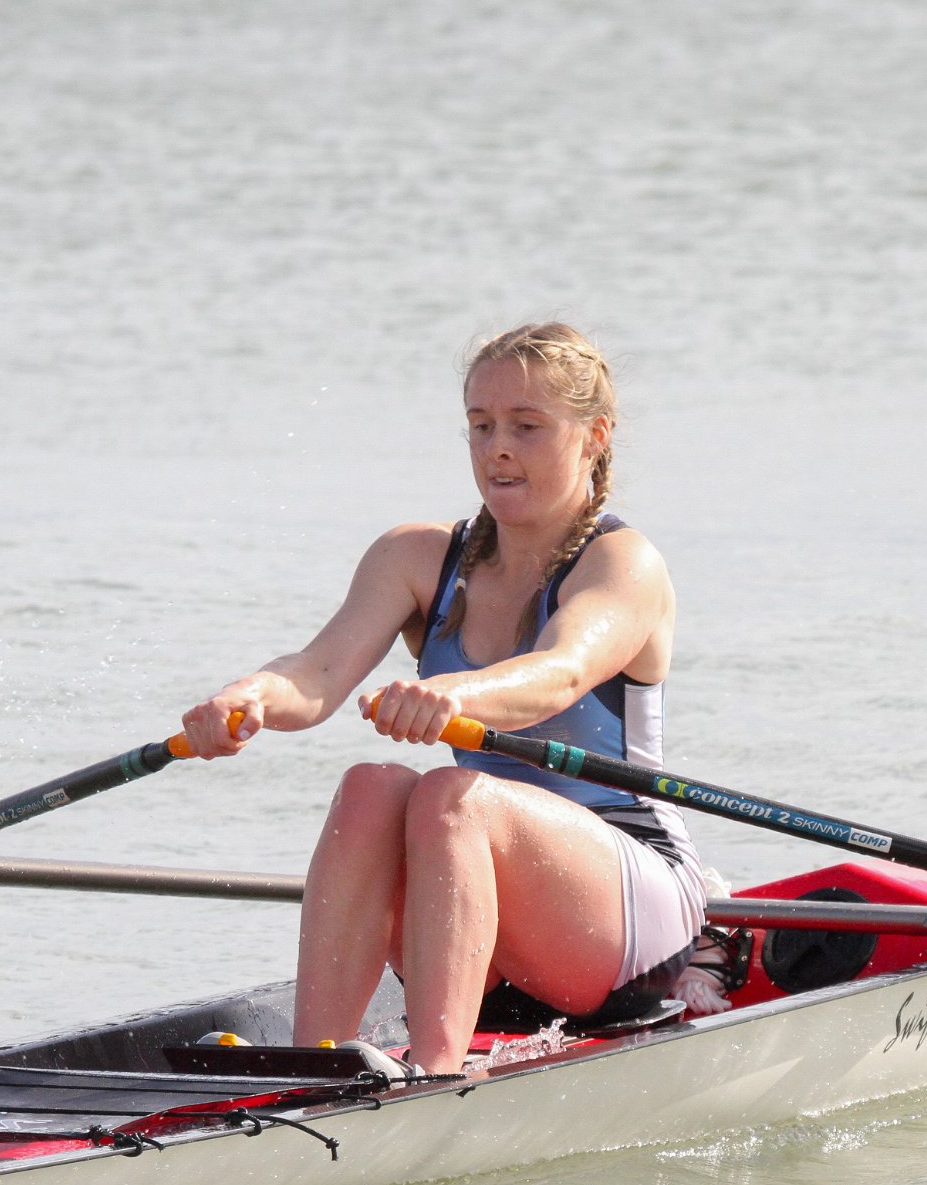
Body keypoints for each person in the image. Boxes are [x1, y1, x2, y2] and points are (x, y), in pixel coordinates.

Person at [178, 323, 704, 1076]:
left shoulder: (624, 563)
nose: (497, 448)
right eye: (481, 425)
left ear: (595, 435)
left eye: (527, 427)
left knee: (455, 796)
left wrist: (448, 692)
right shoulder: (417, 558)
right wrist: (248, 696)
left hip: (629, 918)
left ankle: (433, 1075)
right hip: (477, 910)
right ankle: (308, 1066)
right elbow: (317, 674)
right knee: (371, 786)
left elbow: (559, 671)